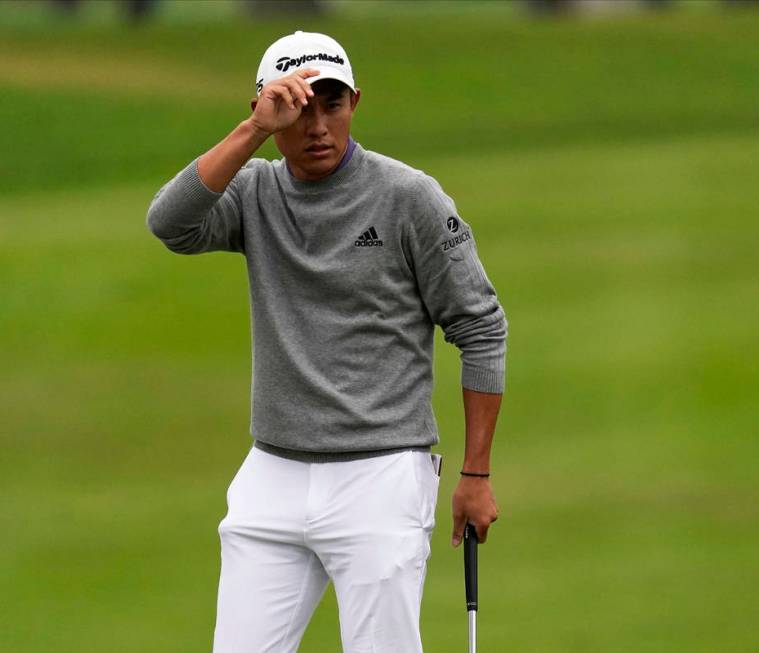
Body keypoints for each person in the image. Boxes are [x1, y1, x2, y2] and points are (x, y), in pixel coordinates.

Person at [146, 30, 507, 653]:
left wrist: (475, 470)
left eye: (331, 104)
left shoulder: (408, 197)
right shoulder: (255, 191)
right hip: (272, 474)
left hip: (381, 473)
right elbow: (170, 223)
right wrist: (254, 131)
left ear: (355, 103)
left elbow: (480, 326)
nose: (316, 124)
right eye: (298, 106)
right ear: (266, 106)